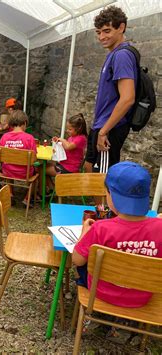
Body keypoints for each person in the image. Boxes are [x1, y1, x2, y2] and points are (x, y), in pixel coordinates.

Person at [73, 161, 162, 307]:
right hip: (142, 296)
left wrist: (84, 232)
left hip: (101, 292)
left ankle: (98, 314)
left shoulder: (100, 228)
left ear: (111, 195)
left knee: (83, 265)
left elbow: (77, 260)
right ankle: (124, 323)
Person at [84, 6, 136, 173]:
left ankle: (103, 202)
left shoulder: (122, 55)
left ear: (121, 27)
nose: (101, 37)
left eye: (107, 31)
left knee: (102, 179)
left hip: (109, 128)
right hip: (101, 125)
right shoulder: (113, 54)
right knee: (90, 168)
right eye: (98, 32)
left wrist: (104, 131)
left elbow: (128, 98)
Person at [0, 110, 37, 204]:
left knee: (9, 165)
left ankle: (10, 194)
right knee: (37, 171)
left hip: (7, 171)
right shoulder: (29, 138)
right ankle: (27, 198)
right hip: (25, 173)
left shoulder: (5, 137)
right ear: (25, 123)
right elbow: (34, 158)